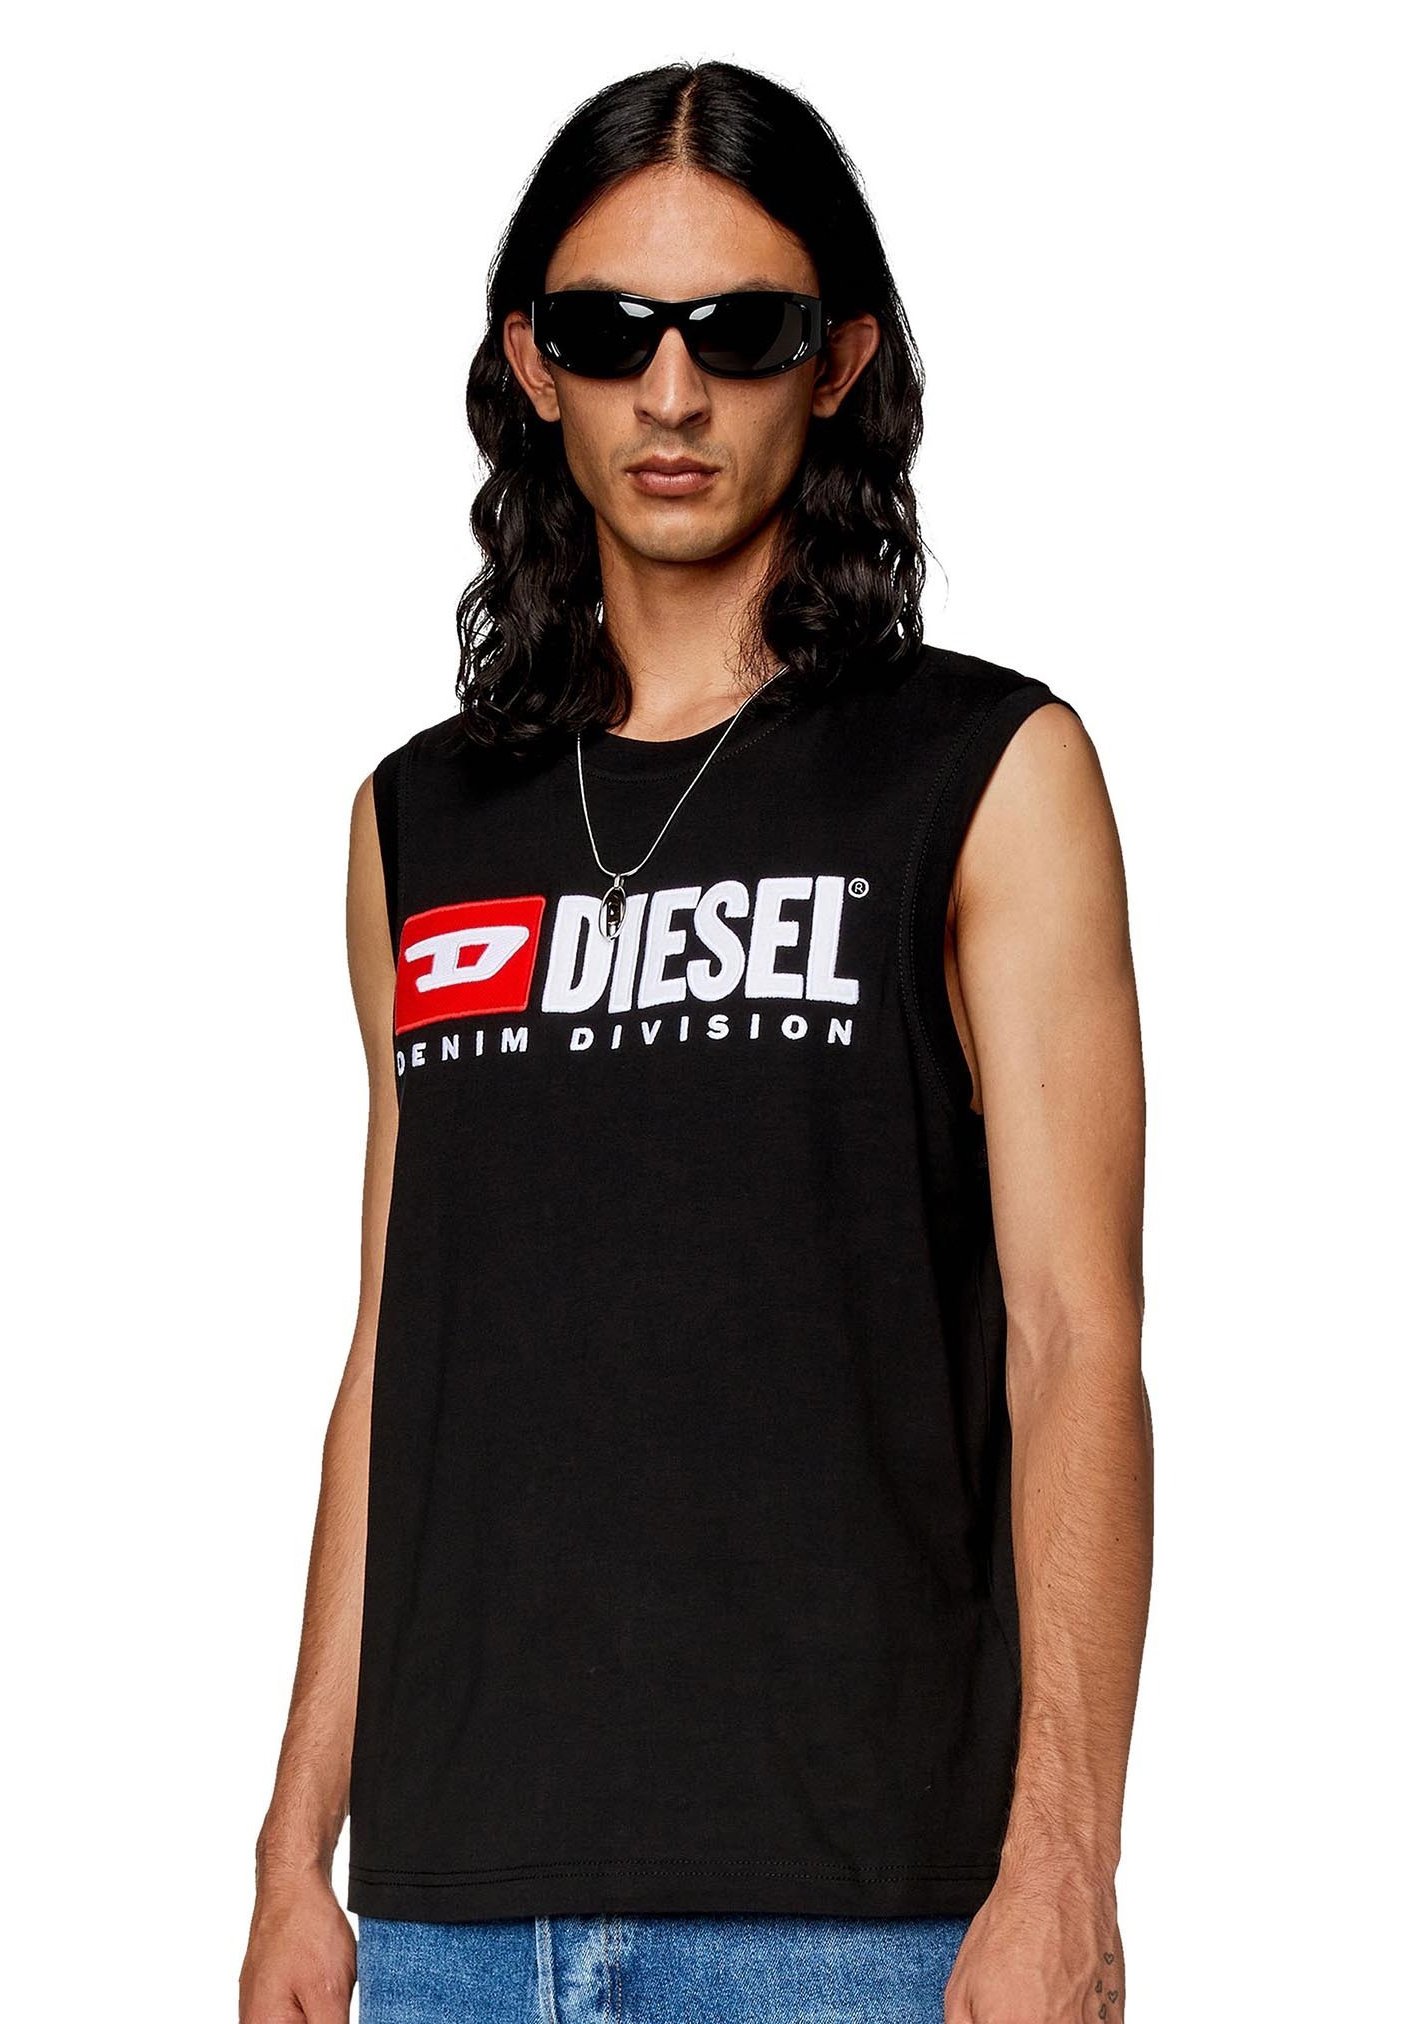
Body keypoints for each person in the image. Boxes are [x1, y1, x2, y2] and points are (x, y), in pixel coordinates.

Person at [239, 58, 1152, 2024]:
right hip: (456, 1920)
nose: (670, 392)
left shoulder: (986, 772)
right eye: (608, 331)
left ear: (835, 364)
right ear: (530, 363)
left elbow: (1076, 1336)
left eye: (736, 332)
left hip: (856, 1918)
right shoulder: (416, 824)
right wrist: (291, 1851)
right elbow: (397, 1348)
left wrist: (1064, 1865)